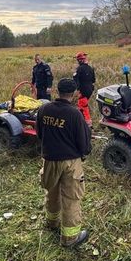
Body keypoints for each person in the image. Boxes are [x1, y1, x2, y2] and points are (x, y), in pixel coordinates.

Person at [36, 78, 91, 248]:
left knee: (52, 192)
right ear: (74, 93)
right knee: (71, 198)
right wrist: (85, 151)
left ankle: (52, 223)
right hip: (70, 163)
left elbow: (39, 133)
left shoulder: (44, 109)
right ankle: (70, 239)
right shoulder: (74, 113)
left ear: (56, 91)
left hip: (49, 160)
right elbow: (83, 143)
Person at [73, 52, 96, 126]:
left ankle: (88, 124)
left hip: (83, 90)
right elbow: (93, 80)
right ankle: (79, 121)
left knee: (83, 107)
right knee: (81, 105)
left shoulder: (79, 69)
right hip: (90, 90)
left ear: (80, 60)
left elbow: (76, 81)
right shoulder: (90, 68)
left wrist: (78, 90)